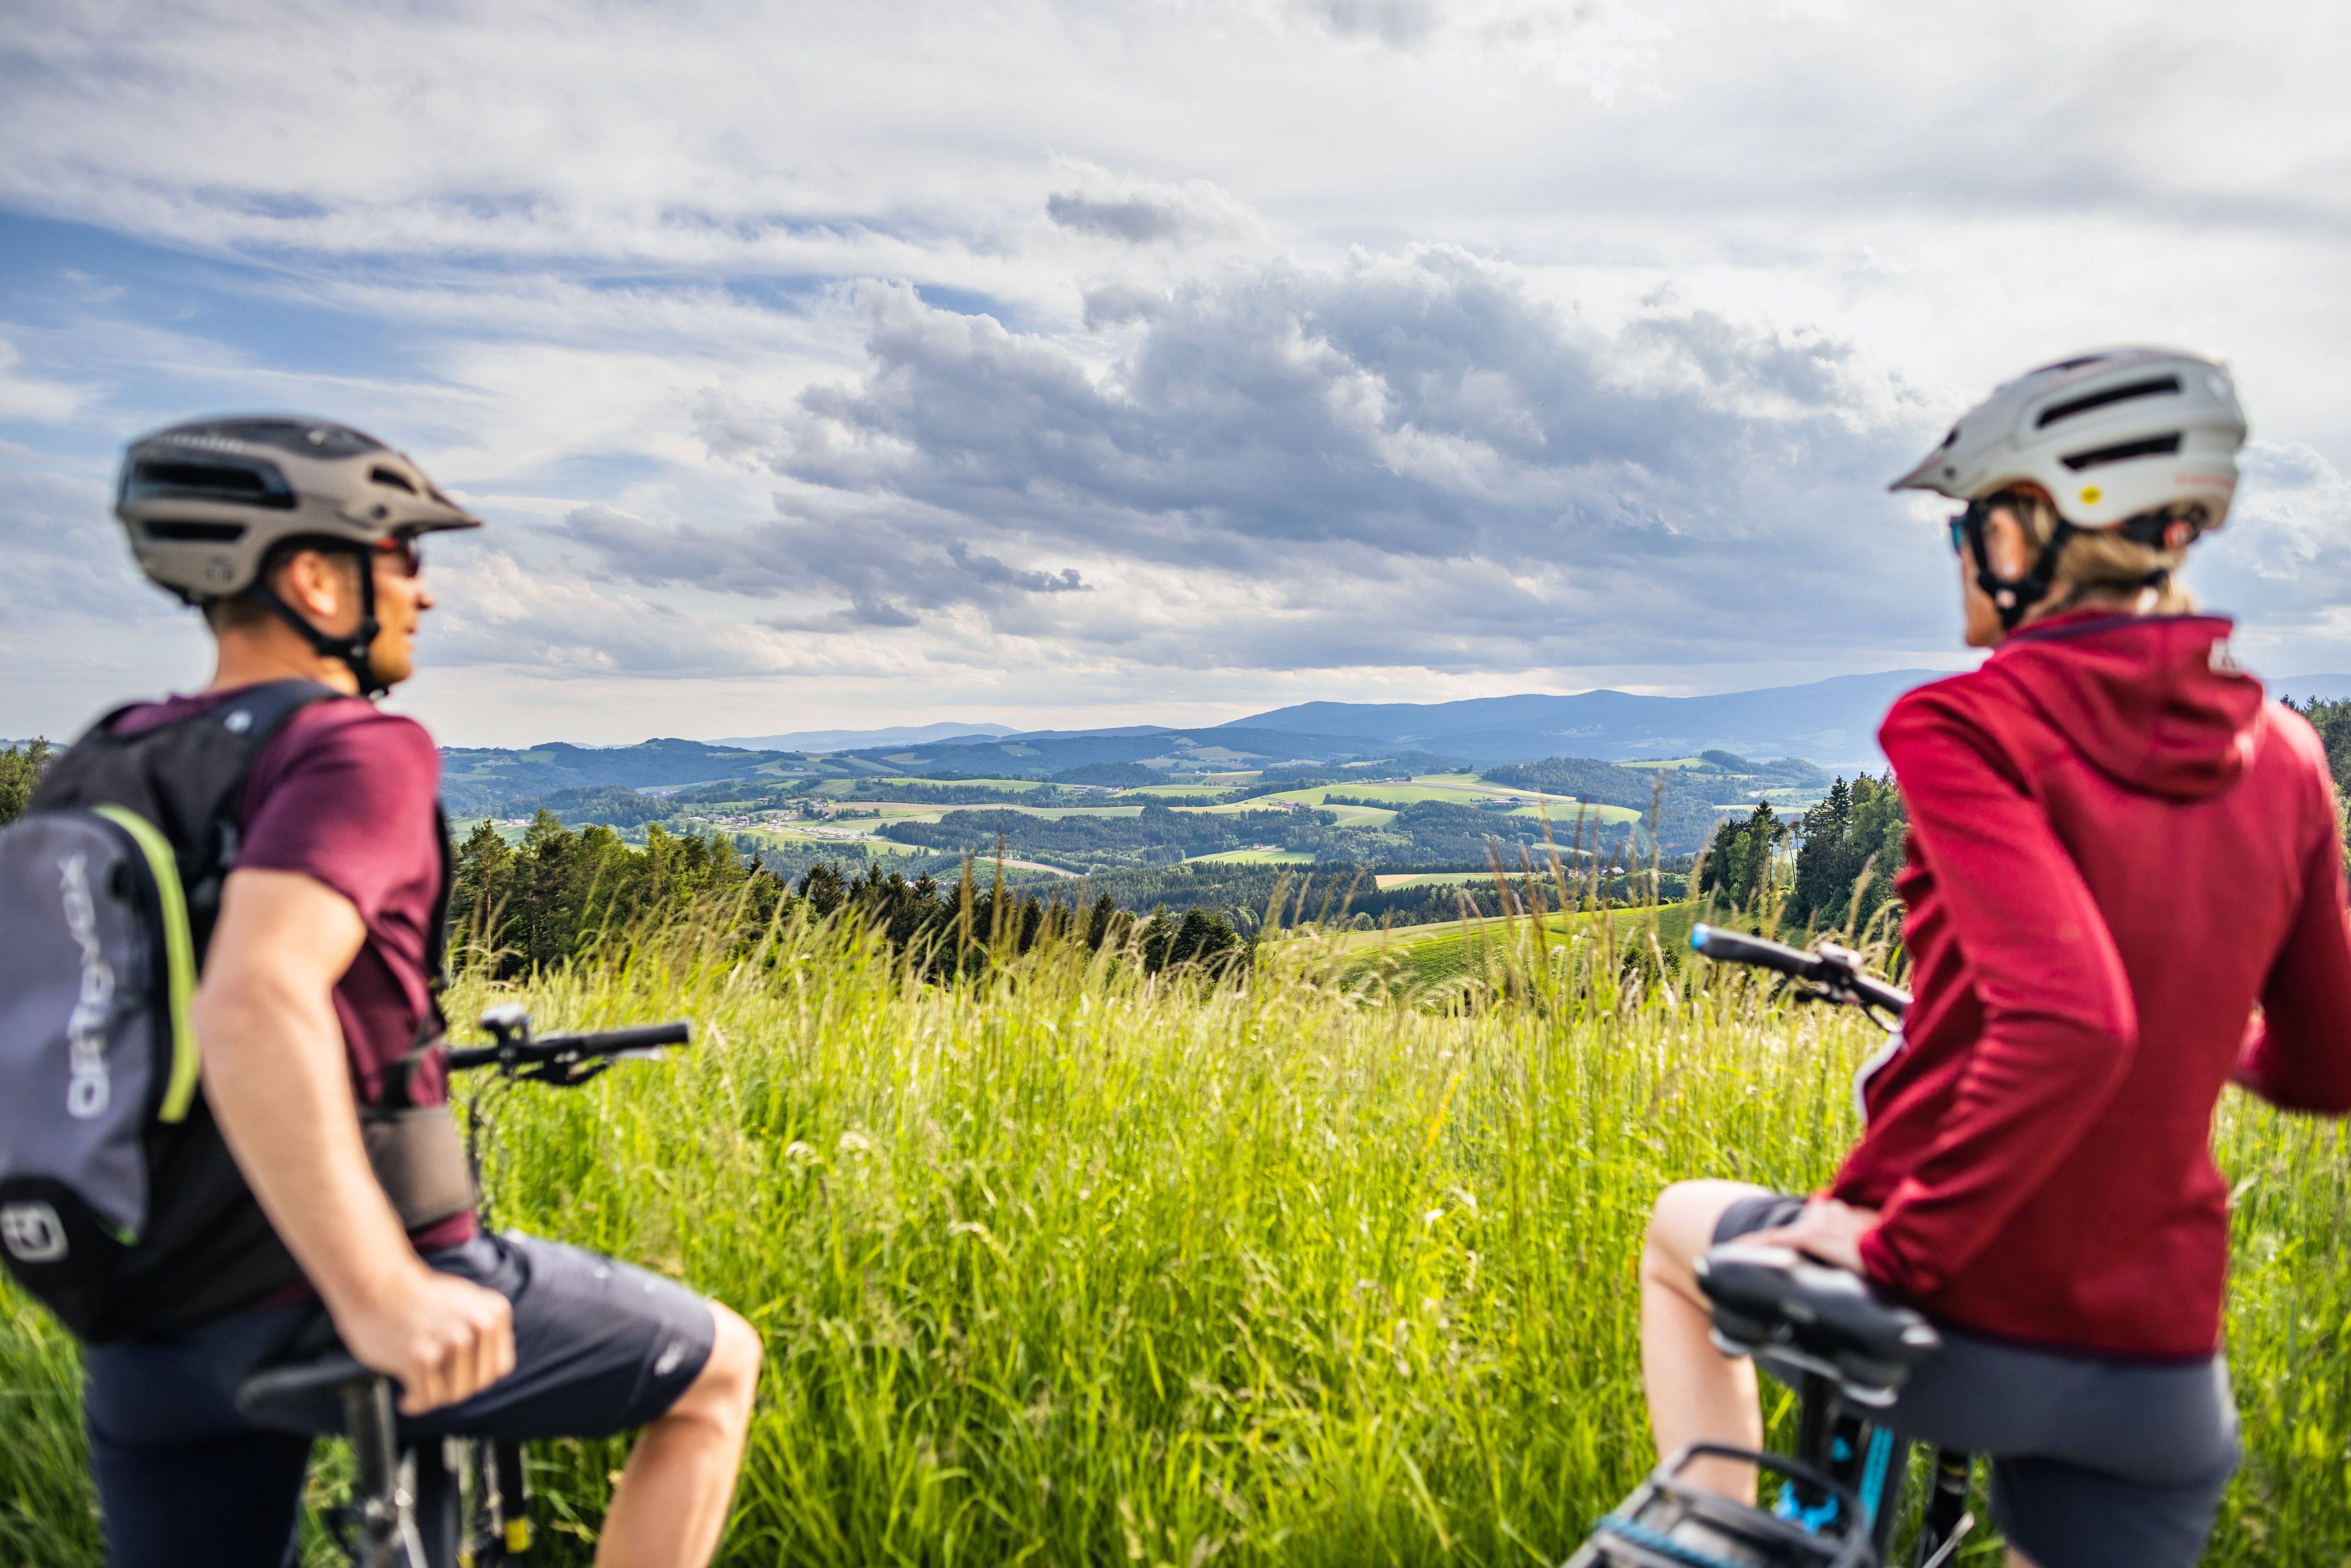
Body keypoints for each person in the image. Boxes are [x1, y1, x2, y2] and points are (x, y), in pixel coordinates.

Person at [1637, 350, 2351, 1568]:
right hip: (2161, 1373)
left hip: (1957, 1319)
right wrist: (2200, 1021)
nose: (1962, 550)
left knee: (1675, 1232)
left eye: (1970, 519)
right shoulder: (2284, 753)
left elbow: (2075, 1021)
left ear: (2032, 528)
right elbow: (2327, 1063)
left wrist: (1896, 1241)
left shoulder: (1969, 722)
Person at [71, 417, 763, 1566]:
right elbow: (251, 998)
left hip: (143, 1315)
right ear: (312, 575)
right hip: (320, 1290)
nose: (423, 594)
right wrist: (381, 1285)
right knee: (716, 1372)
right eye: (402, 554)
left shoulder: (108, 758)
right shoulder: (352, 749)